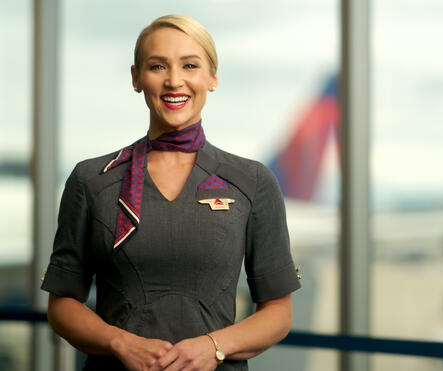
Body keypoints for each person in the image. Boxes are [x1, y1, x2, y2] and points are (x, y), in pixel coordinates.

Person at [41, 14, 301, 371]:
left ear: (212, 78)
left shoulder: (253, 181)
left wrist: (214, 346)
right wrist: (121, 343)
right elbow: (62, 305)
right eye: (157, 66)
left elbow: (278, 312)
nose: (174, 81)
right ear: (136, 78)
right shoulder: (91, 180)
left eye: (190, 65)